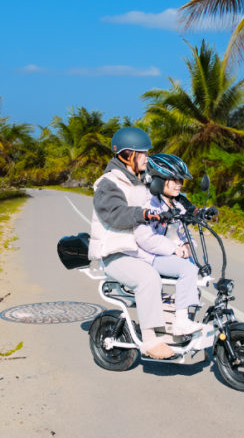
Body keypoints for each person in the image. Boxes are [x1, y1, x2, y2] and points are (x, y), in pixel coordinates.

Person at [88, 126, 175, 359]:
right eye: (143, 154)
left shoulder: (141, 180)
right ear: (128, 155)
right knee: (148, 279)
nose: (147, 158)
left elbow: (163, 198)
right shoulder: (109, 183)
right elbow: (115, 213)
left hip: (137, 251)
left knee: (177, 266)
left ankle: (176, 326)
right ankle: (149, 341)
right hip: (116, 254)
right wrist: (144, 214)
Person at [136, 154, 204, 336]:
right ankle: (180, 321)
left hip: (165, 253)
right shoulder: (147, 202)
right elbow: (145, 239)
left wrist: (189, 245)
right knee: (187, 270)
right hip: (148, 256)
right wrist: (175, 249)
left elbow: (181, 230)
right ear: (157, 180)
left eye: (180, 179)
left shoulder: (176, 201)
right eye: (173, 180)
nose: (179, 184)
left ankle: (182, 308)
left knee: (200, 264)